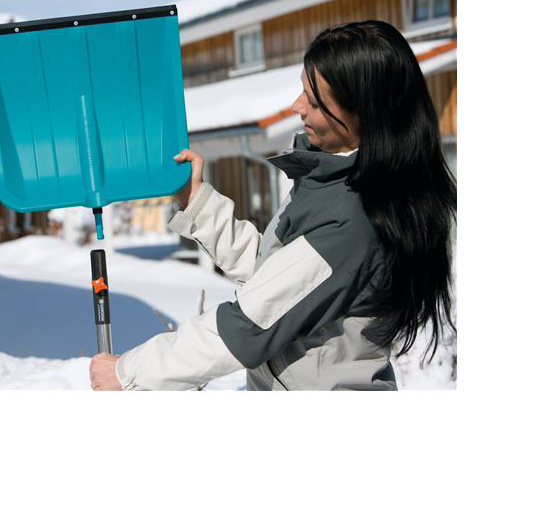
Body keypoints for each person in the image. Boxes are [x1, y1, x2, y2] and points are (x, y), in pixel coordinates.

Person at [89, 20, 457, 391]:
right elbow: (275, 278)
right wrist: (196, 201)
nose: (297, 106)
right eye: (303, 90)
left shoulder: (352, 216)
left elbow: (248, 325)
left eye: (315, 101)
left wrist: (127, 373)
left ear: (365, 112)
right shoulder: (336, 182)